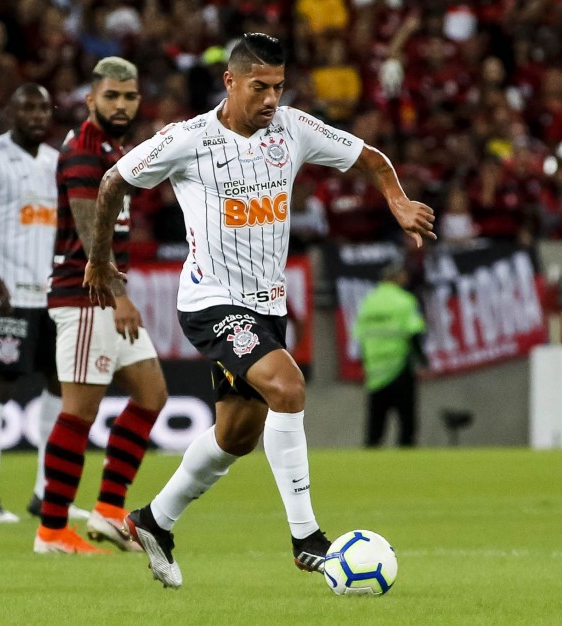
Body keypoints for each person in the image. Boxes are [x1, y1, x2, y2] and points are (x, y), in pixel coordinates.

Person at [83, 33, 436, 587]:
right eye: (260, 87)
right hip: (211, 303)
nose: (272, 99)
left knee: (236, 436)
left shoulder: (292, 129)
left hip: (265, 307)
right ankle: (306, 538)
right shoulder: (188, 139)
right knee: (288, 387)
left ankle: (153, 519)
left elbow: (370, 157)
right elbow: (111, 182)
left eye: (278, 86)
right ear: (230, 82)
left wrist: (396, 198)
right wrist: (100, 261)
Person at [32, 57, 168, 555]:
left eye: (129, 97)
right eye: (112, 96)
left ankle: (109, 513)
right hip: (86, 296)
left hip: (103, 298)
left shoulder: (114, 148)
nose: (121, 104)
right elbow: (93, 235)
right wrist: (121, 297)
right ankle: (51, 530)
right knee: (79, 413)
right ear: (91, 99)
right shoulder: (85, 153)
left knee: (152, 394)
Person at [0, 83, 76, 523]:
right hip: (2, 296)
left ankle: (47, 493)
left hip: (48, 294)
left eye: (44, 107)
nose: (39, 115)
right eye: (29, 107)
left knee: (60, 382)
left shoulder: (54, 160)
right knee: (0, 383)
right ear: (11, 112)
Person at [353, 261, 427, 448]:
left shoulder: (369, 302)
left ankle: (370, 464)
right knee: (406, 422)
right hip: (399, 366)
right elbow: (414, 332)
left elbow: (360, 337)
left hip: (375, 370)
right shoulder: (405, 300)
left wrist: (364, 364)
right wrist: (422, 361)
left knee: (375, 423)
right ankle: (406, 463)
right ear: (396, 276)